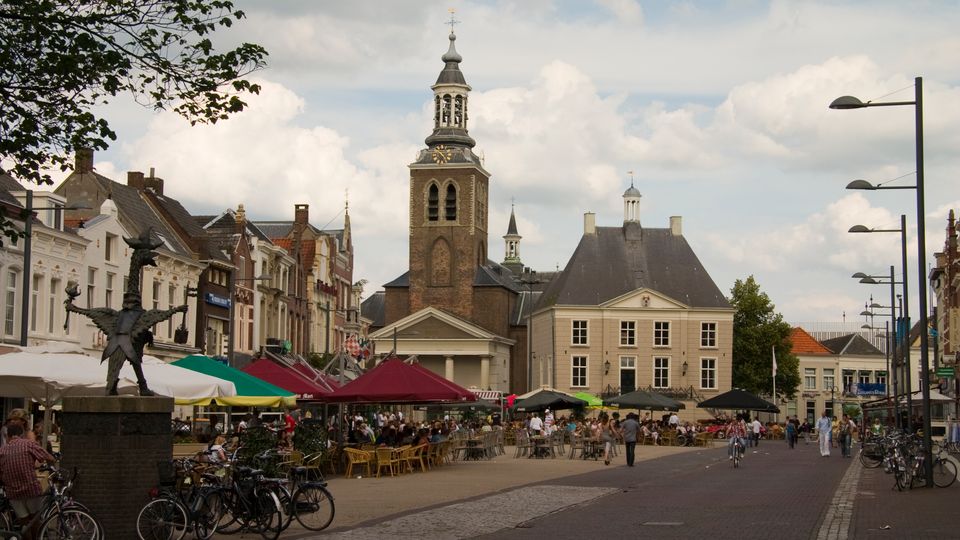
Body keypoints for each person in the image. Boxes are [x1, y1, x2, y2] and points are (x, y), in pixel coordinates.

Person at [0, 422, 55, 534]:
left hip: (13, 493)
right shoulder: (28, 444)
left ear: (8, 436)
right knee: (35, 519)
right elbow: (48, 457)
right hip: (31, 489)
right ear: (22, 434)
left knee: (24, 523)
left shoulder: (2, 450)